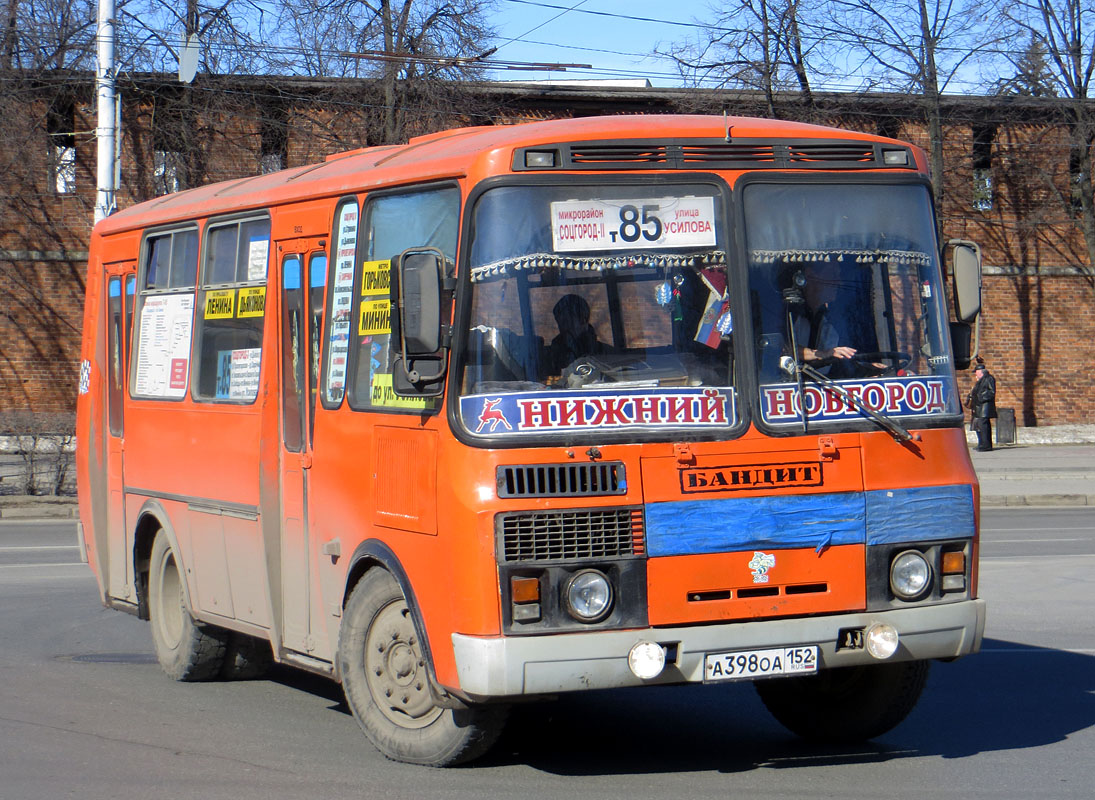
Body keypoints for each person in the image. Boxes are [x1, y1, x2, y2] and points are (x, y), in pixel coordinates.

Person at [548, 294, 607, 373]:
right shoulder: (554, 353)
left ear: (582, 320)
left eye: (567, 321)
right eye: (559, 322)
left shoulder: (604, 353)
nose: (562, 327)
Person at [966, 362, 997, 451]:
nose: (975, 373)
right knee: (978, 426)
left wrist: (980, 397)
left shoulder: (988, 379)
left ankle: (986, 445)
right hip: (979, 407)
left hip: (984, 407)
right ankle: (982, 443)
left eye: (976, 371)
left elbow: (991, 392)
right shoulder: (980, 380)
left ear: (980, 371)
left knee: (983, 426)